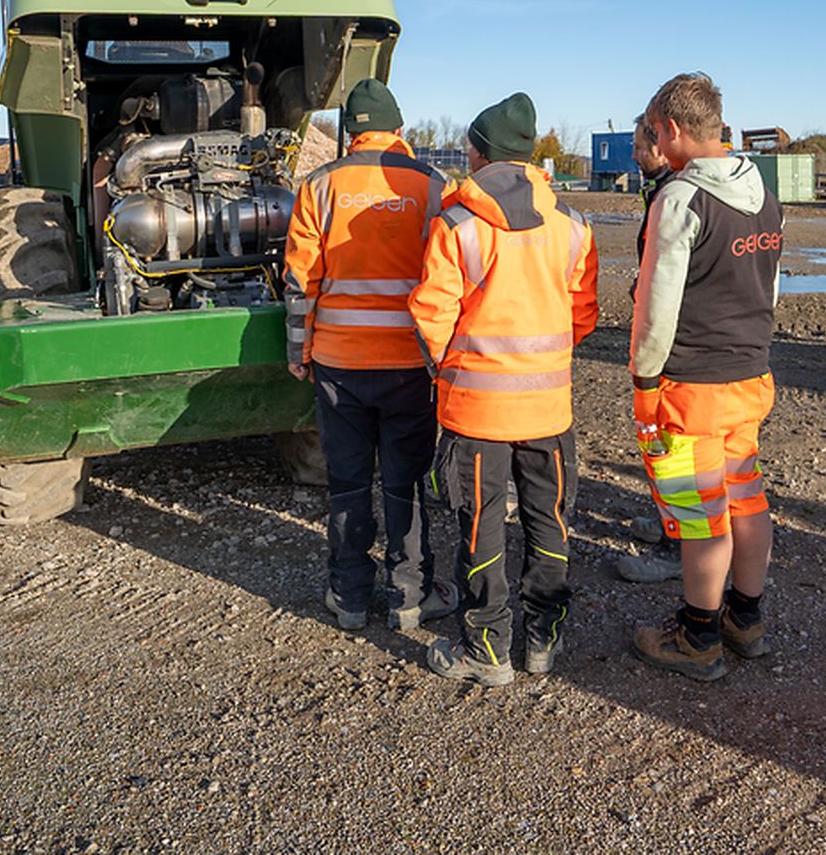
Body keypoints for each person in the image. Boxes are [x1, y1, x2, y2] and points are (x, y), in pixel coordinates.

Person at [409, 92, 599, 685]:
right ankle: (543, 640)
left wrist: (450, 368)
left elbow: (431, 313)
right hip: (548, 409)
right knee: (550, 520)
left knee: (480, 523)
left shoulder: (457, 224)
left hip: (477, 412)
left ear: (478, 153)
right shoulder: (572, 225)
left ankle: (487, 650)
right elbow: (583, 313)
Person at [283, 79, 456, 633]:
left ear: (348, 134)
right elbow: (448, 275)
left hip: (339, 364)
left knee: (350, 482)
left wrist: (298, 350)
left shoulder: (319, 185)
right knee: (404, 481)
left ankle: (350, 597)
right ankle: (410, 597)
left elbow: (299, 281)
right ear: (398, 131)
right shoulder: (433, 186)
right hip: (410, 364)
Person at [629, 72, 783, 681]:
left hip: (691, 386)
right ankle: (745, 619)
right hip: (750, 375)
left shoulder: (679, 199)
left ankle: (698, 637)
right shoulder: (763, 192)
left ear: (670, 131)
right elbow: (770, 285)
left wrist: (645, 381)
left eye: (652, 134)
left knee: (700, 513)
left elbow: (656, 306)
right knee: (745, 495)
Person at [618, 116, 682, 585]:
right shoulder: (661, 190)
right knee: (659, 442)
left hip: (674, 351)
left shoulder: (676, 196)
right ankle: (669, 520)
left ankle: (678, 543)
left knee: (670, 442)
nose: (637, 155)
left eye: (642, 147)